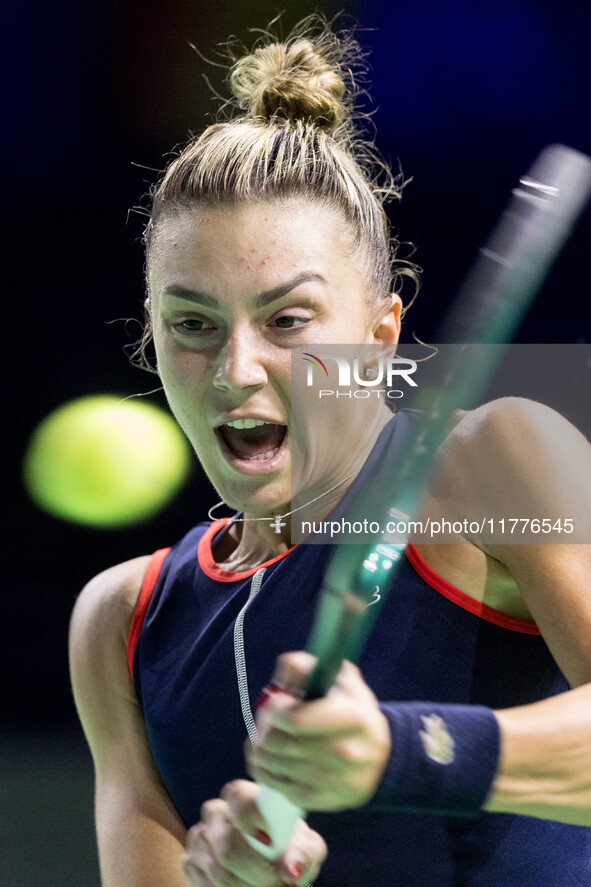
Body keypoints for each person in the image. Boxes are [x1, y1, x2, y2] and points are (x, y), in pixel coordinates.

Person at [69, 16, 591, 887]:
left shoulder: (493, 458)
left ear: (380, 336)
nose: (238, 369)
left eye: (287, 320)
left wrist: (400, 750)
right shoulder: (123, 622)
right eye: (192, 325)